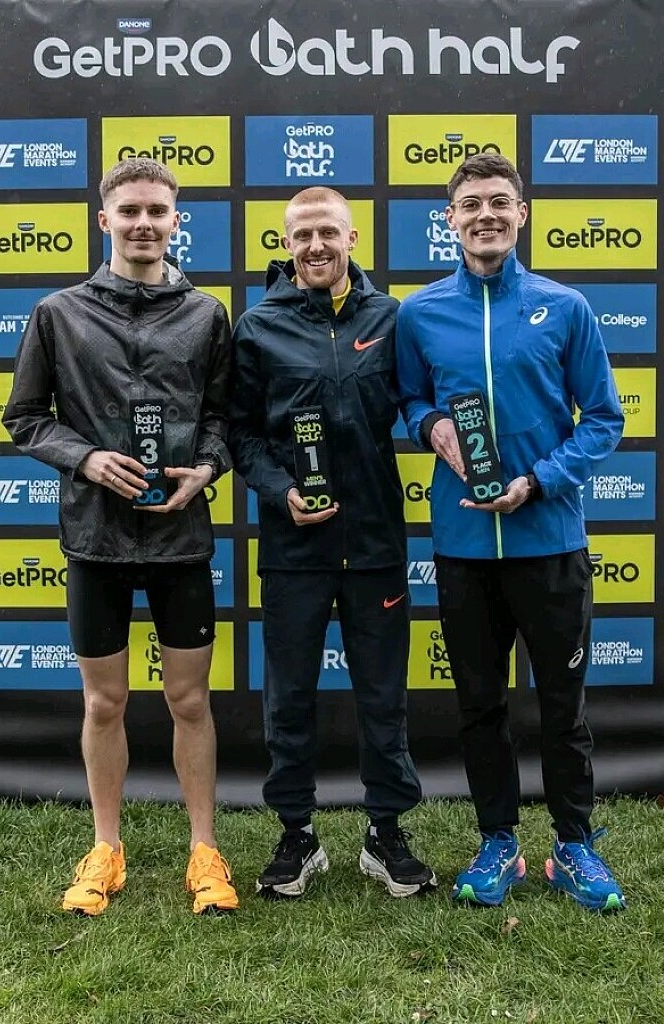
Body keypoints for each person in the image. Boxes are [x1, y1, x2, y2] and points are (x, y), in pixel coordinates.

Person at [2, 157, 238, 917]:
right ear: (104, 220)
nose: (143, 224)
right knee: (103, 703)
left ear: (175, 221)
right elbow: (24, 417)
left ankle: (205, 849)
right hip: (95, 537)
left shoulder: (206, 315)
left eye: (156, 212)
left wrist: (207, 468)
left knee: (190, 699)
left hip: (180, 539)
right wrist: (86, 458)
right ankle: (106, 848)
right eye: (129, 211)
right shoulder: (58, 313)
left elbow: (224, 416)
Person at [396, 153, 626, 912]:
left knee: (563, 705)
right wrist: (430, 428)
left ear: (521, 214)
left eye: (499, 201)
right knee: (480, 704)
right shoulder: (420, 313)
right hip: (463, 548)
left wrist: (538, 481)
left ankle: (574, 845)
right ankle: (499, 841)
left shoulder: (565, 307)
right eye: (471, 204)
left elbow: (604, 420)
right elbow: (410, 398)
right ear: (450, 219)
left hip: (550, 541)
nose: (485, 215)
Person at [228, 187, 436, 900]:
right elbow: (240, 433)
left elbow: (420, 403)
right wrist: (279, 490)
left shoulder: (391, 318)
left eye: (327, 233)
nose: (315, 246)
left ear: (352, 238)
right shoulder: (258, 325)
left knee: (383, 696)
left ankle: (386, 832)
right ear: (286, 245)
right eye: (301, 236)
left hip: (375, 544)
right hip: (294, 549)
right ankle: (297, 834)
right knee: (289, 698)